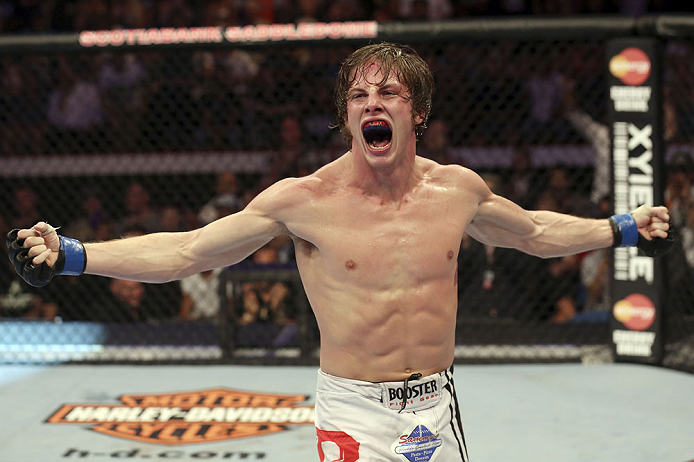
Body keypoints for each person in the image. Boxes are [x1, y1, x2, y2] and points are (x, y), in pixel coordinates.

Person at [6, 43, 673, 462]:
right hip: (353, 409)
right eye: (358, 95)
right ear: (347, 116)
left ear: (417, 114)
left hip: (437, 404)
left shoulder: (458, 189)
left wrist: (620, 227)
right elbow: (187, 250)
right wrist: (73, 255)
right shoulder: (304, 200)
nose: (371, 103)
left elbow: (531, 232)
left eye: (387, 93)